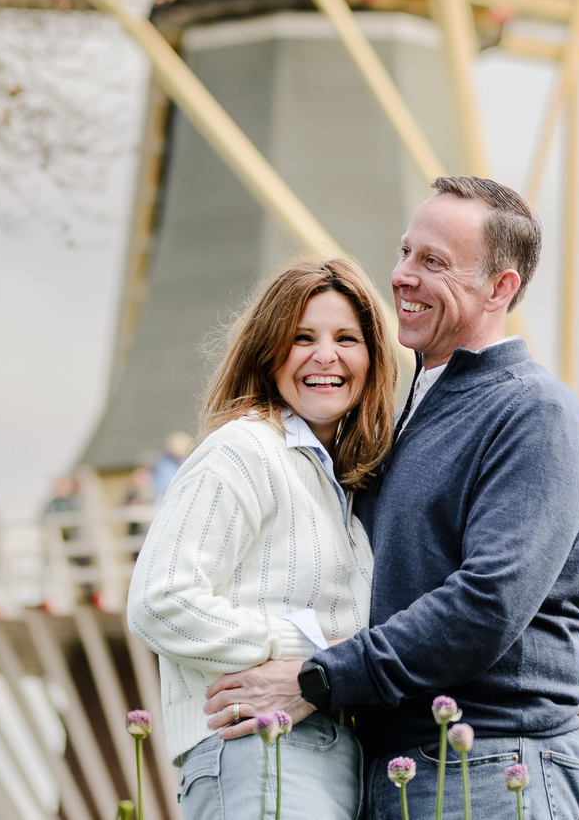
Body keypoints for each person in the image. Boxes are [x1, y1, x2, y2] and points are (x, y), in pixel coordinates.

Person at [203, 175, 579, 820]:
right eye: (406, 252)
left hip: (491, 764)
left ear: (501, 287)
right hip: (394, 767)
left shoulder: (533, 413)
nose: (403, 275)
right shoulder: (405, 418)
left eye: (435, 261)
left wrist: (320, 678)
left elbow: (487, 603)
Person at [127, 256, 397, 820]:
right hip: (260, 751)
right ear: (269, 350)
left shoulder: (337, 482)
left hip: (328, 756)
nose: (326, 355)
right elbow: (161, 599)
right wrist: (302, 650)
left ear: (372, 359)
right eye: (303, 337)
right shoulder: (243, 450)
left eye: (347, 338)